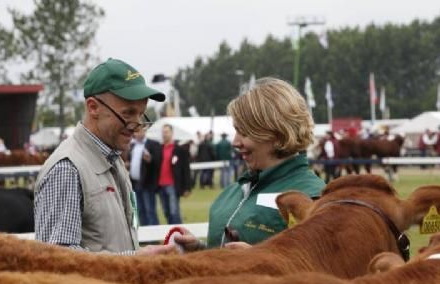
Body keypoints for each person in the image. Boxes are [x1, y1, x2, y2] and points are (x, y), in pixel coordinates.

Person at [34, 58, 173, 255]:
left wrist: (143, 257)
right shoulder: (67, 168)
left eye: (141, 115)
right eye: (128, 113)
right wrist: (135, 261)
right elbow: (57, 260)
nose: (137, 125)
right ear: (93, 107)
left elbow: (113, 247)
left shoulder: (113, 158)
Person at [174, 77, 325, 250]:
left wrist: (258, 259)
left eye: (244, 132)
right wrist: (200, 250)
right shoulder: (235, 191)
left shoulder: (313, 198)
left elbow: (321, 272)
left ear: (276, 133)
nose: (235, 142)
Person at [158, 124, 192, 224]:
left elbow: (186, 169)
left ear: (172, 133)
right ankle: (171, 234)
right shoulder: (159, 149)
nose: (165, 134)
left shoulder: (179, 149)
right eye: (163, 132)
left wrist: (187, 188)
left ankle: (179, 235)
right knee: (166, 212)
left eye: (167, 132)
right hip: (160, 185)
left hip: (172, 185)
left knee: (174, 212)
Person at [129, 128, 161, 226]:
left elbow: (158, 162)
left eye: (139, 131)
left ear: (144, 131)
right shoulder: (132, 145)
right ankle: (144, 235)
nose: (137, 133)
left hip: (147, 183)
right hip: (134, 183)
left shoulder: (153, 144)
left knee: (150, 210)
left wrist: (150, 160)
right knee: (139, 210)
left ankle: (154, 236)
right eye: (135, 131)